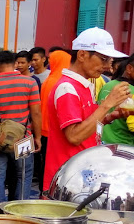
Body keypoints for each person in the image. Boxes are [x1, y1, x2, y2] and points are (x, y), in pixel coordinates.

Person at [43, 28, 131, 191]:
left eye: (109, 61)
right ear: (82, 55)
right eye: (103, 59)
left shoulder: (83, 85)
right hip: (68, 178)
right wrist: (107, 103)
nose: (106, 66)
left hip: (79, 173)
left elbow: (87, 124)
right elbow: (75, 136)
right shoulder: (67, 88)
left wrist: (110, 116)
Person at [0, 50, 42, 203]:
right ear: (14, 64)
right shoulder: (30, 82)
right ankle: (20, 211)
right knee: (23, 175)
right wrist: (37, 137)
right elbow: (36, 113)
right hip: (24, 138)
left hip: (0, 138)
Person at [37, 49, 71, 194]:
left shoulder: (49, 80)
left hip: (44, 128)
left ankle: (43, 191)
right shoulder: (62, 83)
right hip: (55, 130)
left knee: (44, 164)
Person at [98, 53, 134, 146]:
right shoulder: (131, 90)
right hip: (123, 147)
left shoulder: (108, 84)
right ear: (129, 68)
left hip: (100, 142)